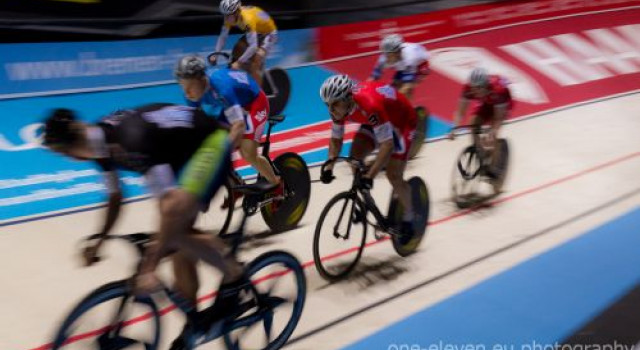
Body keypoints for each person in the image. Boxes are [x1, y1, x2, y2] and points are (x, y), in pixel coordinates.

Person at [42, 104, 249, 347]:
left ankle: (235, 276)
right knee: (178, 247)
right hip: (180, 152)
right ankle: (195, 323)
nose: (67, 159)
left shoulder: (128, 142)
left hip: (208, 144)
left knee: (174, 230)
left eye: (63, 153)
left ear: (70, 150)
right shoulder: (98, 141)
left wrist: (149, 266)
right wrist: (100, 240)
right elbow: (116, 197)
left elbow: (170, 206)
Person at [175, 55, 283, 207]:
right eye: (182, 86)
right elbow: (195, 125)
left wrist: (222, 153)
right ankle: (236, 186)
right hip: (232, 105)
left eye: (189, 86)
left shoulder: (221, 87)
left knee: (247, 153)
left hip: (255, 103)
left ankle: (277, 184)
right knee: (213, 142)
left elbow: (239, 125)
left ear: (201, 79)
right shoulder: (191, 95)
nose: (186, 92)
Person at [319, 74, 417, 240]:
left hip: (402, 121)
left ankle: (410, 217)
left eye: (335, 104)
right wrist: (329, 166)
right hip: (379, 120)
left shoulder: (370, 105)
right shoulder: (338, 108)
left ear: (348, 98)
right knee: (354, 160)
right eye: (328, 105)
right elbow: (336, 139)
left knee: (393, 175)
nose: (331, 110)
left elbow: (388, 145)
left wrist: (370, 176)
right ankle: (367, 203)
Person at [449, 67, 513, 178]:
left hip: (503, 104)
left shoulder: (498, 90)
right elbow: (460, 112)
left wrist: (492, 132)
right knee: (473, 123)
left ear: (486, 85)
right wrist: (454, 128)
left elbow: (498, 118)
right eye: (473, 88)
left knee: (492, 135)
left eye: (479, 88)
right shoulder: (468, 89)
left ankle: (493, 167)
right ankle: (479, 153)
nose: (475, 91)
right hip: (486, 103)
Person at [213, 0, 277, 86]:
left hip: (269, 33)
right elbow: (223, 36)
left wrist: (239, 62)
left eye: (228, 16)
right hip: (257, 30)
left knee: (256, 60)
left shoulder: (247, 20)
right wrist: (215, 54)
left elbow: (253, 46)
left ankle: (258, 93)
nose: (226, 19)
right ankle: (247, 72)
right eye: (225, 15)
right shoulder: (229, 17)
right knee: (237, 49)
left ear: (237, 13)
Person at [369, 34, 430, 100]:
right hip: (403, 64)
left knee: (406, 90)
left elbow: (407, 85)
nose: (386, 58)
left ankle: (407, 108)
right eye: (385, 53)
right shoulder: (384, 58)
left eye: (389, 54)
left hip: (420, 65)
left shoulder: (409, 58)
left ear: (397, 52)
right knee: (394, 87)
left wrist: (391, 99)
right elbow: (373, 79)